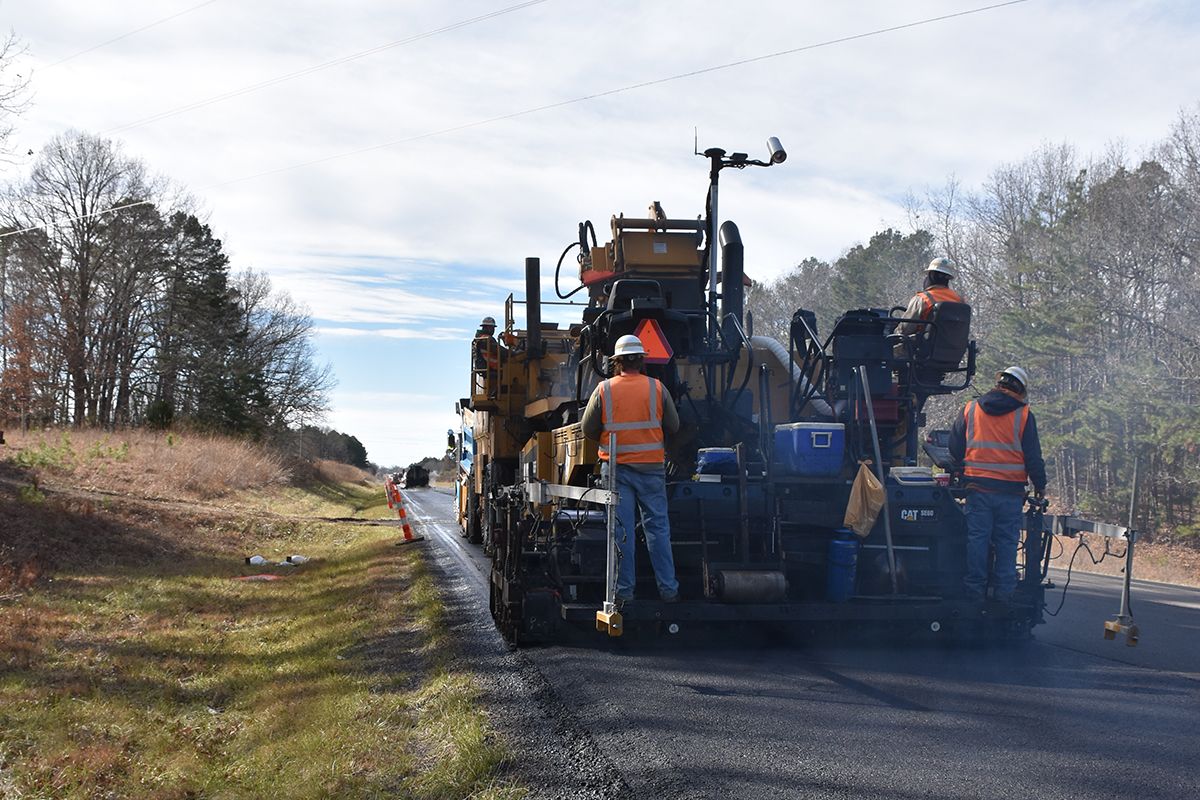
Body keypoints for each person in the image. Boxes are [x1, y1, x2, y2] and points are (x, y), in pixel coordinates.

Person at [581, 334, 680, 604]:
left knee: (621, 531)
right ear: (642, 360)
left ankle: (624, 593)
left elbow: (587, 428)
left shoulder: (604, 390)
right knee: (658, 529)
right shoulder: (657, 389)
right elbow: (674, 425)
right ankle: (668, 590)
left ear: (617, 362)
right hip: (651, 469)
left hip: (617, 470)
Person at [948, 366, 1047, 604]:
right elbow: (1033, 456)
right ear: (1020, 389)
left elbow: (954, 447)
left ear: (999, 383)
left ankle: (974, 591)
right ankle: (1004, 594)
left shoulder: (971, 409)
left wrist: (962, 467)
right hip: (1010, 493)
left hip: (978, 490)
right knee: (1006, 541)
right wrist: (1040, 485)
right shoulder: (1023, 415)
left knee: (977, 539)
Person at [896, 257, 964, 336]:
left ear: (931, 275)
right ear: (948, 278)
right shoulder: (960, 301)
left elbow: (905, 330)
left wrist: (894, 331)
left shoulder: (923, 299)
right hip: (955, 348)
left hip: (923, 347)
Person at [473, 316, 500, 397]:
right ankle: (496, 392)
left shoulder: (481, 338)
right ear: (489, 328)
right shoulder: (486, 339)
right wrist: (512, 353)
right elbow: (498, 351)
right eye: (493, 328)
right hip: (490, 367)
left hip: (486, 366)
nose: (493, 330)